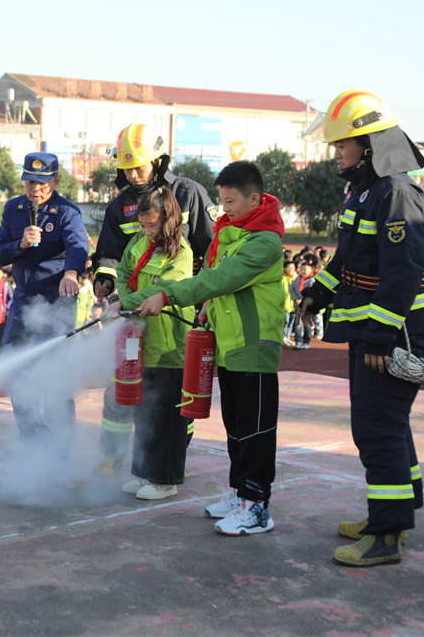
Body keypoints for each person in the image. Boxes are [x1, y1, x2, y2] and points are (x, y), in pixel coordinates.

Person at [300, 89, 424, 567]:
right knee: (388, 423)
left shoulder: (396, 193)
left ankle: (387, 532)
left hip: (394, 333)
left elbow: (402, 273)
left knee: (376, 426)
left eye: (343, 144)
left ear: (371, 144)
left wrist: (380, 335)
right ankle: (398, 508)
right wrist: (318, 291)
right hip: (374, 328)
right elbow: (350, 259)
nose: (336, 151)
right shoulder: (367, 190)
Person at [137, 160, 285, 536]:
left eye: (231, 201)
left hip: (253, 347)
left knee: (254, 432)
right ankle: (241, 495)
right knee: (236, 428)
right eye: (221, 200)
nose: (224, 208)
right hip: (230, 347)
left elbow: (221, 279)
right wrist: (205, 307)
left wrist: (167, 295)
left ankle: (257, 508)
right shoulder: (232, 234)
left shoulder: (263, 242)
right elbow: (217, 283)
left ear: (254, 198)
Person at [91, 123, 217, 476]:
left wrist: (208, 296)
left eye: (139, 166)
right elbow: (113, 255)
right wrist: (107, 282)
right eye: (126, 167)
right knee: (120, 387)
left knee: (170, 395)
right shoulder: (120, 206)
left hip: (176, 311)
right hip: (132, 315)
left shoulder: (189, 193)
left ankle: (172, 454)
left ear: (158, 160)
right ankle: (111, 456)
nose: (132, 174)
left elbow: (212, 249)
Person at [0, 152, 90, 455]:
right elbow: (0, 253)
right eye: (31, 182)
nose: (36, 189)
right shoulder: (13, 209)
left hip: (56, 302)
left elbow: (78, 246)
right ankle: (34, 441)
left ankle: (60, 448)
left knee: (55, 375)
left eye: (43, 184)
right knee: (18, 372)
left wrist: (72, 272)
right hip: (23, 301)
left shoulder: (67, 212)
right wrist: (20, 244)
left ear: (55, 182)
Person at [104, 187, 194, 500]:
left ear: (168, 221)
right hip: (141, 339)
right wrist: (119, 299)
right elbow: (125, 271)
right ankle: (144, 474)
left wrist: (123, 304)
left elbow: (166, 289)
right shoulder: (140, 242)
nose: (146, 232)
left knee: (166, 416)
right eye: (143, 226)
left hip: (169, 344)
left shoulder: (181, 252)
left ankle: (165, 480)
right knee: (144, 412)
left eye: (152, 226)